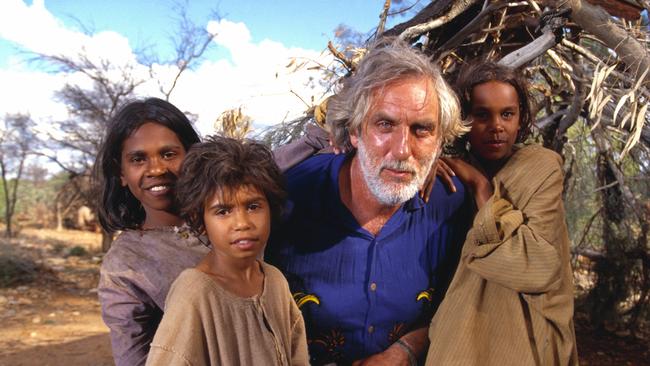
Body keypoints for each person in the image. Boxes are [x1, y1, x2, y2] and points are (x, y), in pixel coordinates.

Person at [266, 38, 470, 365]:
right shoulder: (289, 199)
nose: (402, 150)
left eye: (422, 130)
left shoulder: (449, 207)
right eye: (385, 124)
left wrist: (405, 350)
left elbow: (460, 305)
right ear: (355, 131)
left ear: (439, 142)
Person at [425, 62, 578, 365]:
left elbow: (536, 265)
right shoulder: (447, 169)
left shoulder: (541, 167)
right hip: (458, 326)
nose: (496, 126)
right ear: (464, 120)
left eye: (507, 114)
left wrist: (481, 188)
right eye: (482, 115)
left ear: (521, 119)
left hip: (530, 329)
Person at [146, 136, 309, 366]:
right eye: (223, 211)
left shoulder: (274, 281)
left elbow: (297, 356)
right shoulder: (194, 293)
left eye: (253, 206)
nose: (242, 223)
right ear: (199, 220)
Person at [96, 98, 209, 366]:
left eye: (169, 154)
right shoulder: (124, 264)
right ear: (121, 173)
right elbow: (133, 355)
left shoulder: (233, 215)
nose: (157, 169)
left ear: (192, 156)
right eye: (138, 159)